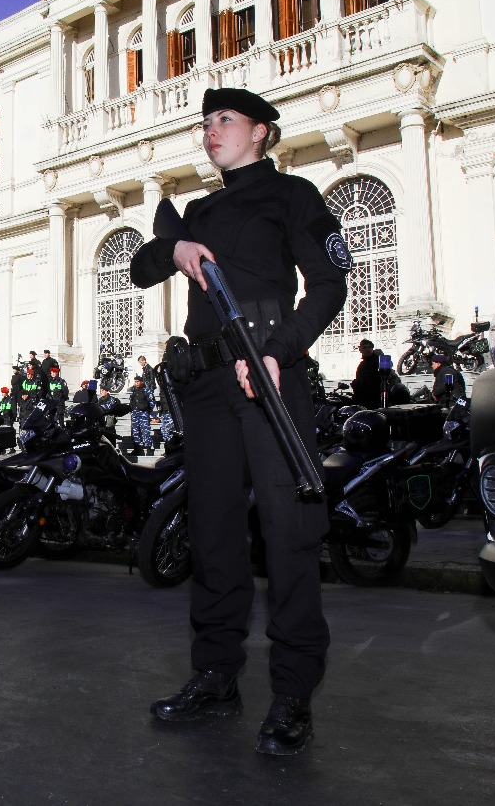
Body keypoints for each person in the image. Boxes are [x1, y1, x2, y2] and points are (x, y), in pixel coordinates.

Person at [129, 87, 349, 756]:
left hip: (269, 374)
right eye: (203, 123)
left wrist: (281, 352)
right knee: (214, 533)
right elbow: (141, 267)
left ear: (261, 131)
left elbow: (331, 284)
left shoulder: (294, 196)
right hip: (207, 387)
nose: (209, 132)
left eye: (223, 120)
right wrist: (175, 251)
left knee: (288, 535)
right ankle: (216, 674)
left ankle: (291, 693)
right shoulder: (195, 212)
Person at [350, 339, 383, 409]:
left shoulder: (378, 362)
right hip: (364, 399)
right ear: (360, 350)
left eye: (369, 347)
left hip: (374, 400)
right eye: (364, 347)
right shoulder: (362, 365)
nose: (367, 349)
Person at [128, 375, 154, 454]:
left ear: (141, 382)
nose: (136, 383)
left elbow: (152, 402)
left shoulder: (147, 390)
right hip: (135, 414)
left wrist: (147, 411)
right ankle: (137, 449)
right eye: (135, 382)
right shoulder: (134, 391)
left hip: (143, 414)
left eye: (138, 382)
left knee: (145, 431)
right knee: (135, 432)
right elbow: (131, 402)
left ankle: (149, 449)